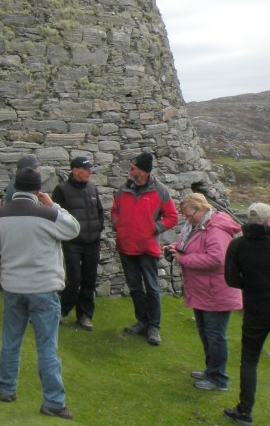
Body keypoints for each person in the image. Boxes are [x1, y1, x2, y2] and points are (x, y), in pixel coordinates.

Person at [0, 167, 81, 419]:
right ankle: (53, 401)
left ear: (15, 188)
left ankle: (7, 388)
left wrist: (7, 271)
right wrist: (55, 205)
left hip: (14, 287)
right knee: (47, 347)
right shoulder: (48, 214)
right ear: (38, 190)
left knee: (11, 340)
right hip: (44, 288)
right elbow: (73, 229)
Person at [162, 193, 241, 392]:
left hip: (216, 290)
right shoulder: (195, 226)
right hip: (202, 290)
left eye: (189, 215)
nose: (187, 219)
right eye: (186, 216)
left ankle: (219, 379)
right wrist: (172, 248)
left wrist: (183, 259)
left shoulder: (216, 229)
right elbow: (184, 244)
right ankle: (211, 371)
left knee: (215, 335)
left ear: (201, 208)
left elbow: (216, 259)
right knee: (206, 333)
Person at [111, 152, 178, 346]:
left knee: (152, 288)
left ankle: (153, 327)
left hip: (147, 248)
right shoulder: (123, 189)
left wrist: (154, 228)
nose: (129, 170)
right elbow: (115, 210)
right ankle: (142, 321)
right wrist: (118, 224)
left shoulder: (160, 191)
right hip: (125, 246)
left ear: (144, 171)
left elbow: (172, 217)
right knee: (134, 287)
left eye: (133, 168)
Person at [222, 202, 270, 426]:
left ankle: (244, 412)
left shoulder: (238, 245)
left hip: (256, 308)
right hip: (258, 306)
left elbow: (231, 279)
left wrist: (249, 286)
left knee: (250, 359)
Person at [52, 156, 104, 331]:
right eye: (86, 169)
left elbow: (99, 212)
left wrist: (98, 229)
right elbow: (55, 215)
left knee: (89, 280)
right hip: (72, 242)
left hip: (92, 242)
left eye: (90, 169)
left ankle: (85, 315)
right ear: (75, 170)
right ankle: (62, 311)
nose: (89, 172)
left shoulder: (92, 188)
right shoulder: (61, 189)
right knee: (74, 280)